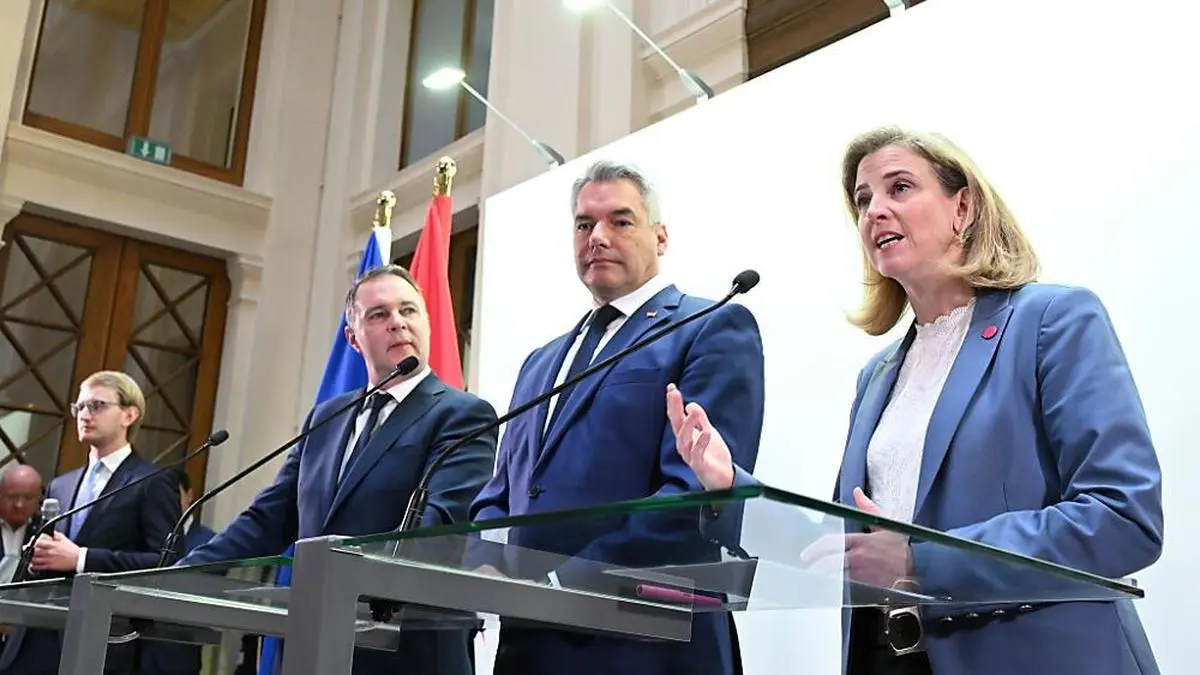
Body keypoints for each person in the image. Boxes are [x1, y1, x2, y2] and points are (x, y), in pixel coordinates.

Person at [667, 126, 1163, 675]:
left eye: (899, 188)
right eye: (863, 200)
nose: (874, 211)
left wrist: (919, 561)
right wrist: (730, 489)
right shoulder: (878, 376)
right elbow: (844, 548)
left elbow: (1122, 518)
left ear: (962, 208)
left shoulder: (1052, 322)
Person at [468, 160, 766, 675]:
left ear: (660, 237)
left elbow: (694, 492)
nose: (598, 237)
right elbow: (503, 492)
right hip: (529, 644)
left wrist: (564, 582)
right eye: (584, 224)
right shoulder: (541, 362)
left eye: (620, 221)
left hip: (645, 642)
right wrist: (485, 563)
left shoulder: (709, 326)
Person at [181, 264, 499, 675]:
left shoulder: (463, 414)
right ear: (353, 337)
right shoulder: (327, 417)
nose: (398, 323)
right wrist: (183, 574)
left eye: (408, 310)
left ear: (427, 322)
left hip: (405, 650)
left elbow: (439, 528)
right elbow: (270, 517)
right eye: (379, 314)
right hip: (316, 644)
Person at [0, 371, 182, 675]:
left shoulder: (152, 482)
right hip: (37, 638)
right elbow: (51, 559)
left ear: (129, 415)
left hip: (101, 639)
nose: (85, 414)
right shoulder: (61, 484)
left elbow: (167, 564)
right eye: (80, 407)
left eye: (97, 405)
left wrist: (82, 558)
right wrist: (37, 560)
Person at [137, 470, 216, 675]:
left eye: (172, 494)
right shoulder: (143, 538)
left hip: (177, 653)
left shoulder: (210, 542)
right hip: (134, 651)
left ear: (189, 495)